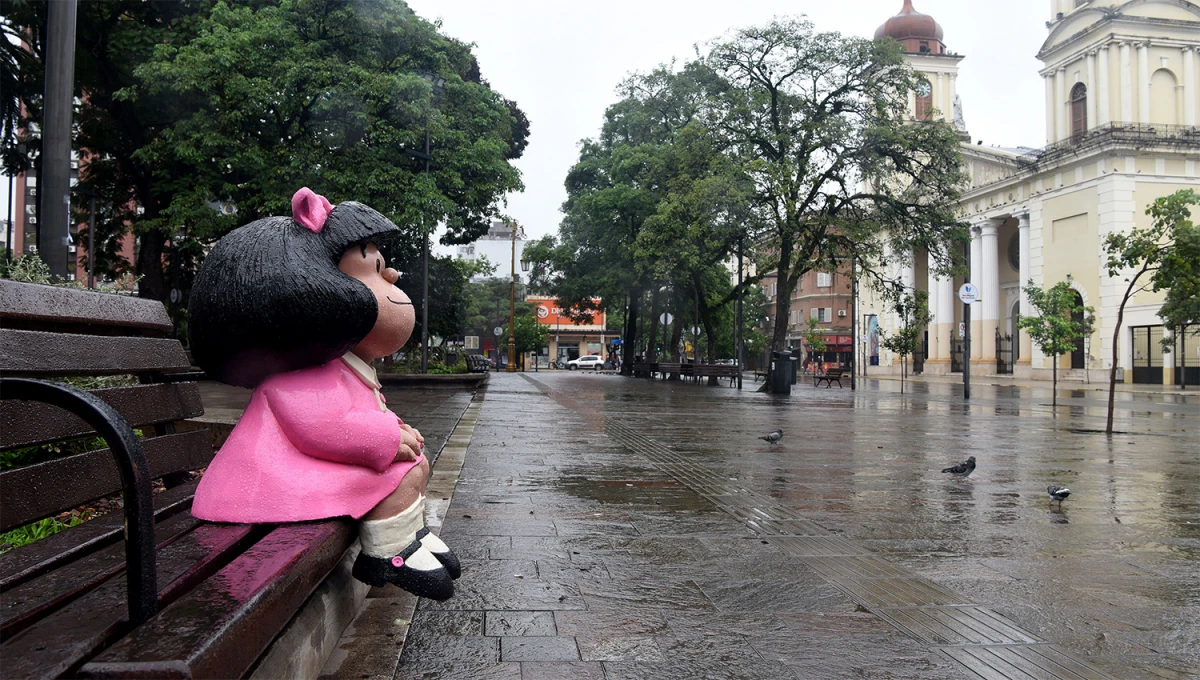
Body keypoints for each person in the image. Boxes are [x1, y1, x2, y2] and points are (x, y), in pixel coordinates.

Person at [187, 188, 459, 600]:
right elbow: (326, 428)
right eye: (373, 268)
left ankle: (412, 534)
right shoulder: (300, 377)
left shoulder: (336, 368)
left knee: (415, 464)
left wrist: (396, 429)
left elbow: (361, 411)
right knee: (399, 474)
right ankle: (391, 552)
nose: (392, 277)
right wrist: (388, 439)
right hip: (265, 486)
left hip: (291, 474)